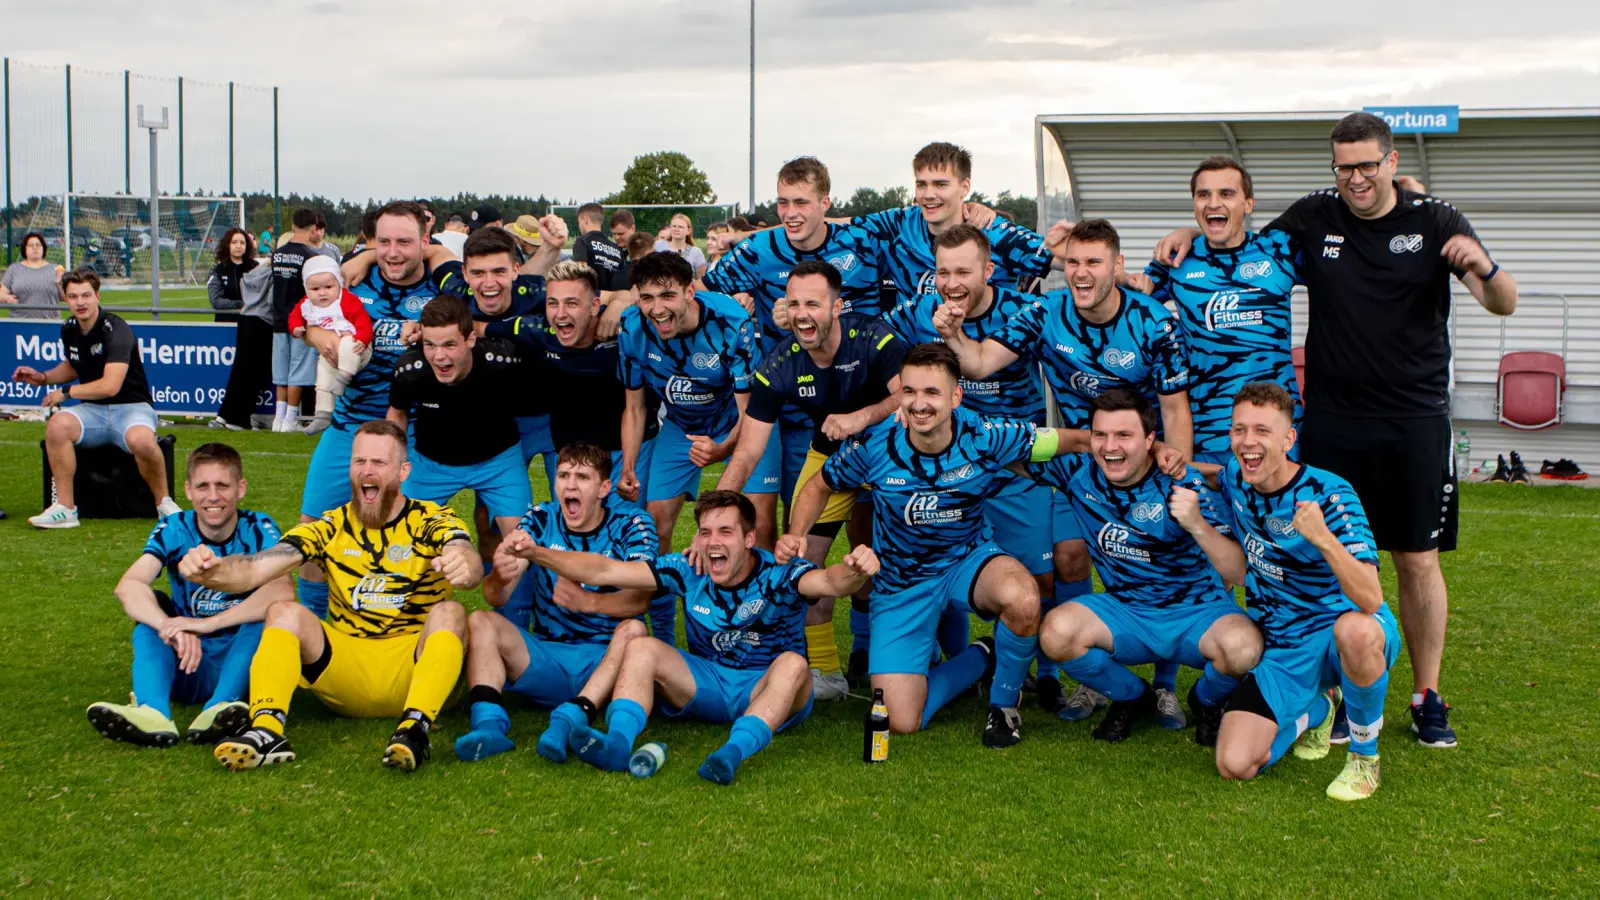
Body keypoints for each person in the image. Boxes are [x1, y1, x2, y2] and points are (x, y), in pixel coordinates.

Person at [1154, 112, 1519, 748]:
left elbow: (1503, 302)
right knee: (1317, 551)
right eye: (1343, 166)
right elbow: (1239, 243)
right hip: (1328, 418)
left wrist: (1484, 271)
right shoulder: (1313, 217)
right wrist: (1191, 227)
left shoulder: (1437, 220)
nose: (1355, 178)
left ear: (1392, 162)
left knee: (1415, 558)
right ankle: (1336, 685)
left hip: (1414, 417)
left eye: (1366, 165)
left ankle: (1426, 694)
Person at [938, 217, 1195, 724]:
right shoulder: (1044, 312)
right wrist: (955, 335)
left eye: (1093, 262)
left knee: (1158, 563)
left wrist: (1175, 471)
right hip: (1079, 461)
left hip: (1142, 461)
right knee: (1073, 559)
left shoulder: (1154, 323)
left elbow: (1175, 409)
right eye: (1073, 261)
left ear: (1117, 267)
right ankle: (1090, 679)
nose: (1080, 272)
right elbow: (981, 362)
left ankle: (1164, 687)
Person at [783, 343, 1084, 748]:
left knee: (1024, 597)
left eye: (932, 393)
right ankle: (983, 656)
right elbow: (820, 484)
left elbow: (1064, 441)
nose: (918, 404)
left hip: (967, 561)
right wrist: (796, 532)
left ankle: (1003, 705)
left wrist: (1127, 443)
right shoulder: (876, 445)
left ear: (956, 396)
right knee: (902, 720)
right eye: (909, 392)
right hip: (901, 580)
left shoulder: (986, 433)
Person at [520, 490, 880, 785]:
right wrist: (536, 553)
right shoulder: (687, 568)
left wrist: (857, 570)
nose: (712, 542)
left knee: (794, 664)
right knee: (642, 647)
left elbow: (830, 582)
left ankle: (731, 754)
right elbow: (606, 568)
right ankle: (617, 743)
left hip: (766, 687)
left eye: (725, 532)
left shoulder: (778, 573)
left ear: (749, 539)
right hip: (707, 681)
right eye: (705, 532)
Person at [180, 420, 481, 771]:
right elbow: (254, 568)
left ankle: (414, 728)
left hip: (414, 667)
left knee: (451, 612)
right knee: (282, 610)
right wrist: (212, 570)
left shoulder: (432, 519)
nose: (366, 471)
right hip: (347, 671)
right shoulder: (328, 526)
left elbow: (465, 554)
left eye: (378, 463)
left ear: (403, 471)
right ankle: (266, 730)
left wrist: (465, 564)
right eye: (359, 462)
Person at [883, 225, 1068, 710]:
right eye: (942, 271)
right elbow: (877, 348)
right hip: (944, 470)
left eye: (964, 270)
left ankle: (1043, 672)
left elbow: (1009, 364)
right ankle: (959, 658)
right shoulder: (917, 311)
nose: (951, 282)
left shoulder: (1021, 311)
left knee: (1036, 579)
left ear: (989, 270)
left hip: (1014, 467)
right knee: (942, 562)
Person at [1019, 389, 1261, 745]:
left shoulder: (1182, 482)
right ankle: (1133, 695)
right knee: (1056, 632)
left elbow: (1238, 571)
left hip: (1195, 616)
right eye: (1100, 435)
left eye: (1124, 435)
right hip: (1126, 615)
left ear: (1150, 440)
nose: (1109, 446)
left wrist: (1197, 524)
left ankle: (1205, 700)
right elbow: (1006, 451)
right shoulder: (1078, 472)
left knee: (1245, 648)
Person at [1199, 383, 1399, 801]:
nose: (1247, 442)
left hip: (1341, 629)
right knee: (1234, 765)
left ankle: (1364, 759)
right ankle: (1318, 709)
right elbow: (1217, 476)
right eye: (1238, 430)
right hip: (1286, 643)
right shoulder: (1238, 475)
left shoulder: (1330, 493)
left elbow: (1371, 598)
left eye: (1261, 431)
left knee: (1357, 632)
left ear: (1289, 439)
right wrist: (1168, 461)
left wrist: (1324, 539)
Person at [717, 260, 906, 700]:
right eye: (794, 303)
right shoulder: (779, 364)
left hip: (890, 454)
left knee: (901, 559)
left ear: (837, 306)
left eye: (813, 304)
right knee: (800, 557)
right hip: (829, 459)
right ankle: (825, 673)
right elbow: (747, 449)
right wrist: (720, 507)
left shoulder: (873, 336)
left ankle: (893, 654)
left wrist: (861, 417)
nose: (802, 314)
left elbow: (907, 394)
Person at [454, 443, 659, 762]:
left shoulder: (633, 524)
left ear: (604, 488)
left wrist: (588, 602)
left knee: (634, 630)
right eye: (563, 475)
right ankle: (489, 726)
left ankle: (572, 718)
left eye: (582, 477)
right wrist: (499, 576)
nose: (570, 485)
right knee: (481, 620)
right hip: (549, 655)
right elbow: (497, 596)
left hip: (606, 662)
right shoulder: (540, 517)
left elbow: (640, 601)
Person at [704, 157, 888, 513]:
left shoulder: (864, 242)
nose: (790, 213)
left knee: (869, 514)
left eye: (801, 202)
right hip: (797, 408)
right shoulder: (759, 251)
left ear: (825, 203)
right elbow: (701, 294)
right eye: (783, 202)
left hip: (867, 403)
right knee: (800, 510)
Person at [298, 200, 446, 620]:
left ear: (425, 242)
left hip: (414, 433)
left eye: (404, 241)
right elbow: (308, 311)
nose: (393, 252)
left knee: (409, 538)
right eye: (382, 242)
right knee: (312, 530)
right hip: (349, 426)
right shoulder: (349, 282)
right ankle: (313, 626)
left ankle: (408, 631)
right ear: (369, 242)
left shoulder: (442, 284)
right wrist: (314, 334)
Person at [86, 443, 289, 747]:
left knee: (268, 616)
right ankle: (153, 713)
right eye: (203, 486)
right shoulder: (174, 527)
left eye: (223, 485)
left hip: (242, 660)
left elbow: (283, 590)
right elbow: (128, 586)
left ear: (240, 488)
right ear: (188, 490)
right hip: (187, 661)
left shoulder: (258, 528)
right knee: (152, 611)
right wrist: (173, 627)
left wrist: (205, 624)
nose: (212, 496)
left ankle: (221, 708)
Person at [1133, 157, 1302, 472]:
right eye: (1203, 195)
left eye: (1226, 194)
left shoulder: (1280, 250)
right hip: (1209, 429)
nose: (1214, 203)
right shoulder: (1176, 259)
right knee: (1211, 519)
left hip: (1277, 425)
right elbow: (1127, 299)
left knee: (1277, 516)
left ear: (1248, 203)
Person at [617, 251, 780, 556]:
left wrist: (722, 449)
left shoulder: (730, 321)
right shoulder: (631, 327)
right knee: (656, 524)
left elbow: (748, 408)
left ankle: (760, 601)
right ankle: (663, 602)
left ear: (689, 291)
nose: (657, 309)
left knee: (761, 524)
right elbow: (635, 407)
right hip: (683, 426)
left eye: (667, 295)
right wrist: (629, 467)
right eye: (647, 298)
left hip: (744, 421)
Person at [16, 270, 180, 528]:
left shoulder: (117, 329)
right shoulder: (69, 328)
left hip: (132, 408)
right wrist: (43, 377)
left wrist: (67, 393)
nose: (80, 302)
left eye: (86, 295)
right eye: (73, 296)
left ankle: (164, 504)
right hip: (94, 411)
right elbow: (75, 365)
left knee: (141, 440)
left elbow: (110, 385)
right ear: (66, 300)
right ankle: (65, 509)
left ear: (97, 296)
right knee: (57, 426)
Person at [386, 295, 534, 562]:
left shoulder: (502, 361)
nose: (439, 356)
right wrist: (390, 463)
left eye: (449, 345)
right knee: (399, 539)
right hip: (430, 464)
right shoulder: (410, 369)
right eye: (430, 344)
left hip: (498, 462)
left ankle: (512, 604)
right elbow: (397, 413)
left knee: (521, 542)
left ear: (470, 340)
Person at [288, 256, 372, 436]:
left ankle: (343, 379)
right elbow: (294, 316)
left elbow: (364, 322)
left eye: (328, 287)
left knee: (347, 344)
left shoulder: (347, 301)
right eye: (315, 289)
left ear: (339, 284)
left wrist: (363, 340)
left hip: (357, 348)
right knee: (322, 378)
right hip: (329, 353)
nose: (322, 293)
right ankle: (322, 415)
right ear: (306, 288)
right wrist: (295, 327)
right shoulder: (306, 305)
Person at [268, 209, 322, 432]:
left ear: (292, 227)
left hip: (278, 318)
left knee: (280, 372)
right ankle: (290, 419)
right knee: (297, 372)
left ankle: (278, 419)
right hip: (300, 321)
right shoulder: (311, 257)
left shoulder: (277, 254)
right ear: (312, 229)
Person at [212, 248, 276, 431]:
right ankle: (239, 418)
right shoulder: (274, 273)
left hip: (246, 318)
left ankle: (224, 415)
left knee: (240, 370)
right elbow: (273, 301)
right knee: (254, 374)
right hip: (263, 321)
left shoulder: (256, 271)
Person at [570, 202, 630, 307]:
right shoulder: (617, 249)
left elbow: (580, 276)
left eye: (579, 222)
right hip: (614, 305)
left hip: (593, 304)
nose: (579, 226)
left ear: (585, 219)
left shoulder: (582, 242)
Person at [2, 231, 64, 318]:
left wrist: (59, 284)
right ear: (25, 249)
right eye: (31, 245)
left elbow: (66, 297)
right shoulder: (14, 269)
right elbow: (1, 293)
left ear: (43, 248)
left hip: (50, 324)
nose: (35, 248)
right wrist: (6, 298)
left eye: (38, 245)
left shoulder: (56, 269)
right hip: (19, 324)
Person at [205, 227, 255, 324]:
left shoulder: (255, 268)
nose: (238, 246)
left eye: (242, 243)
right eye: (234, 242)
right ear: (227, 244)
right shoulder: (219, 269)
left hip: (251, 324)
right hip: (225, 324)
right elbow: (215, 301)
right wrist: (240, 304)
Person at [656, 213, 707, 278]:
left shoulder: (696, 252)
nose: (676, 229)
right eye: (674, 226)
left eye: (680, 227)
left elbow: (700, 280)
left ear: (688, 231)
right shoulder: (657, 246)